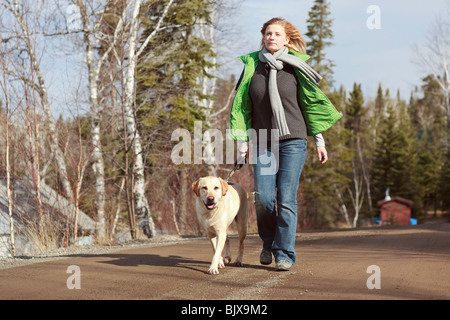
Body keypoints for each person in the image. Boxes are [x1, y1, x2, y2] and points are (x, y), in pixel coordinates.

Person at [229, 17, 341, 271]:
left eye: (277, 34)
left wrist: (319, 140)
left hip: (293, 140)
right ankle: (269, 243)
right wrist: (241, 142)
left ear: (287, 40)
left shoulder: (295, 67)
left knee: (287, 199)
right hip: (263, 141)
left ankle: (285, 253)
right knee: (264, 199)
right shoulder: (252, 67)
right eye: (268, 33)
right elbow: (242, 108)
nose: (271, 37)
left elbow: (310, 105)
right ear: (263, 37)